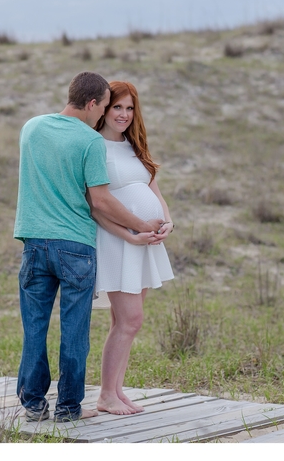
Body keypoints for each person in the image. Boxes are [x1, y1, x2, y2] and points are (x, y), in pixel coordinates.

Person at [13, 72, 164, 423]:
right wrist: (140, 225)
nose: (104, 117)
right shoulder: (90, 141)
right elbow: (99, 199)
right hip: (75, 246)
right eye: (106, 109)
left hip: (34, 241)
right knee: (74, 330)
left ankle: (33, 402)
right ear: (94, 103)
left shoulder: (32, 127)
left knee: (34, 326)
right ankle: (68, 408)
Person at [90, 81, 175, 415]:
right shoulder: (94, 146)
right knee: (130, 320)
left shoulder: (132, 145)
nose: (124, 115)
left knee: (123, 322)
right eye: (117, 108)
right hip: (118, 242)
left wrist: (167, 219)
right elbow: (95, 205)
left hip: (145, 242)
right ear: (104, 109)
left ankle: (116, 390)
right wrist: (132, 234)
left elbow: (153, 187)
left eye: (129, 108)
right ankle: (105, 396)